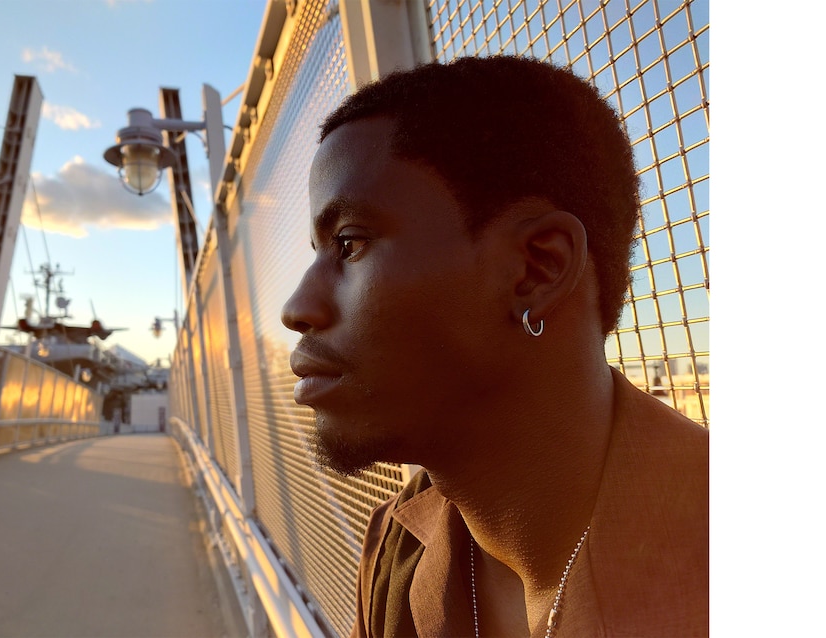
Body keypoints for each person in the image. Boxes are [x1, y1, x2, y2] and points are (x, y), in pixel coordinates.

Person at [281, 55, 708, 637]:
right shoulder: (397, 545)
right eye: (317, 250)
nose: (297, 308)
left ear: (537, 269)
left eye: (349, 243)